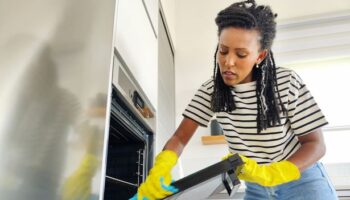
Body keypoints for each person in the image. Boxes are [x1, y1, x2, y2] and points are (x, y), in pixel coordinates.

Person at [131, 0, 338, 199]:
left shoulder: (285, 83)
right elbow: (179, 139)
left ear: (260, 56)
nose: (228, 62)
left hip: (302, 181)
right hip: (257, 187)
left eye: (241, 54)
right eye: (223, 50)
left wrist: (275, 173)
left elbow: (316, 144)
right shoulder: (212, 90)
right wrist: (161, 168)